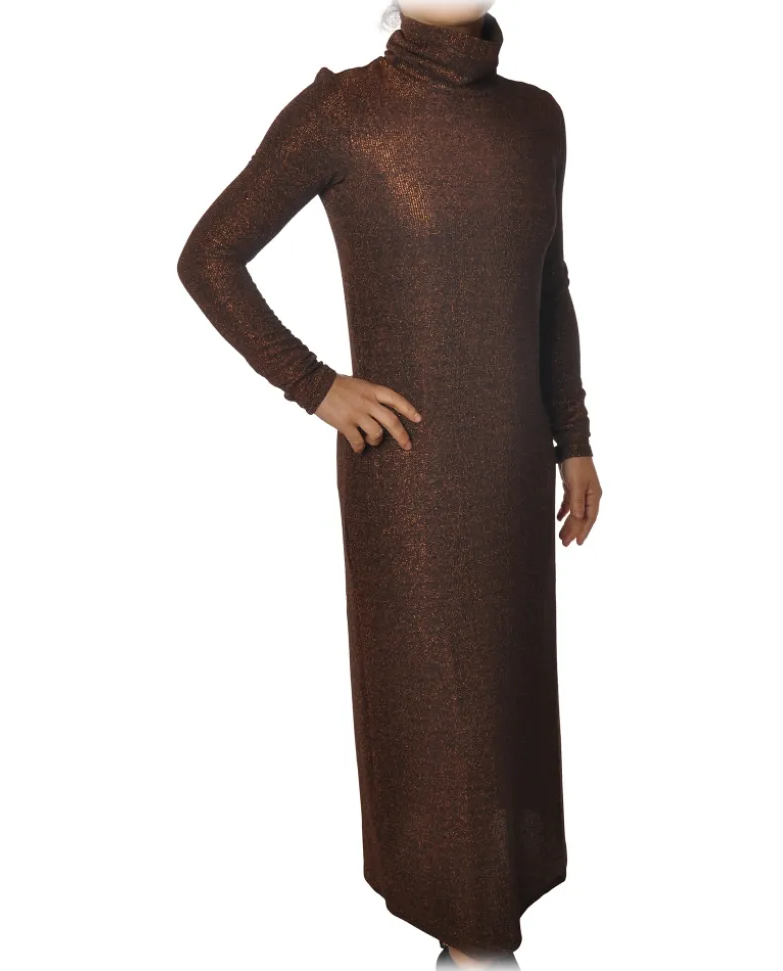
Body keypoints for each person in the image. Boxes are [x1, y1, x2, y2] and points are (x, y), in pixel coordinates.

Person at [176, 2, 603, 967]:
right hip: (405, 479)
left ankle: (481, 938)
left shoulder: (537, 118)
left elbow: (550, 287)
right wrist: (313, 384)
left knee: (507, 710)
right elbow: (209, 257)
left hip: (512, 472)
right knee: (440, 713)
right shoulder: (344, 112)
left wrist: (573, 439)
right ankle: (475, 945)